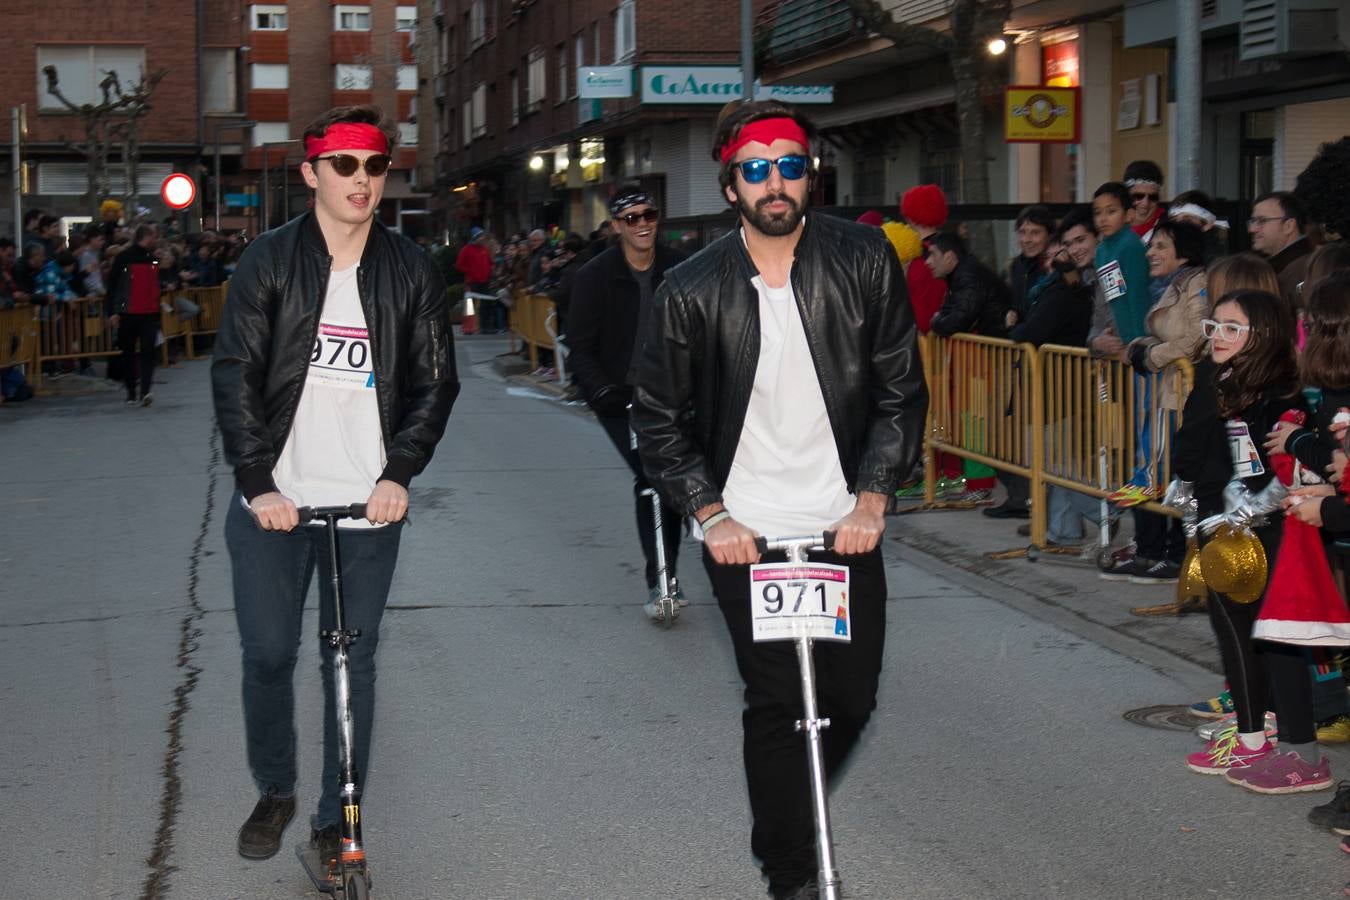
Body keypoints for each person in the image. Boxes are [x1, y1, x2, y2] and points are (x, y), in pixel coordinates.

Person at [631, 100, 927, 900]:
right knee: (775, 702)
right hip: (747, 532)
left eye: (789, 164)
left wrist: (873, 497)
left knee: (850, 698)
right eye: (755, 167)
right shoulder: (689, 289)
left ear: (811, 174)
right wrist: (710, 513)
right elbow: (655, 421)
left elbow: (902, 390)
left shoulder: (864, 259)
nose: (775, 181)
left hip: (843, 523)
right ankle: (792, 873)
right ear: (730, 185)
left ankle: (785, 823)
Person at [210, 105, 458, 868]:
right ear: (312, 173)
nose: (361, 179)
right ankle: (278, 786)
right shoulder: (270, 260)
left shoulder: (411, 269)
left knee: (351, 660)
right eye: (344, 165)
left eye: (375, 165)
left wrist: (396, 475)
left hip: (366, 509)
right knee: (269, 654)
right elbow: (237, 375)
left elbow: (436, 385)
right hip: (275, 504)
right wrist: (258, 484)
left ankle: (333, 819)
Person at [1171, 290, 1328, 791]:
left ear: (1261, 334)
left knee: (1278, 640)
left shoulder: (1283, 391)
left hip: (1274, 528)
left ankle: (1301, 753)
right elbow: (1192, 453)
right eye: (1214, 326)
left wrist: (1248, 511)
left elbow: (1292, 469)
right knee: (1231, 631)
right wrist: (1193, 504)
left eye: (1232, 327)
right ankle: (1250, 738)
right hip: (1221, 527)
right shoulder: (1217, 381)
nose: (1218, 337)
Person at [570, 185, 688, 621]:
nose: (643, 224)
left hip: (672, 393)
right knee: (651, 477)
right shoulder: (594, 276)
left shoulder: (680, 268)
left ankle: (670, 570)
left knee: (669, 482)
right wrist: (601, 390)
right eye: (632, 218)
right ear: (617, 225)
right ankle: (662, 580)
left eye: (649, 214)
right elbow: (579, 345)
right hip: (619, 397)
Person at [1117, 219, 1210, 583]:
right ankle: (1153, 550)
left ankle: (1170, 554)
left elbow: (1194, 340)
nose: (1151, 253)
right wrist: (1146, 347)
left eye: (1160, 246)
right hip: (1168, 392)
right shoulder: (1174, 284)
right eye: (1151, 245)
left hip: (1184, 394)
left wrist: (1150, 354)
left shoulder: (1197, 283)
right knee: (1155, 471)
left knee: (1166, 472)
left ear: (1183, 252)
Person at [107, 225, 161, 405]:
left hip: (146, 313)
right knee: (130, 353)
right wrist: (113, 311)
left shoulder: (151, 259)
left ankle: (144, 391)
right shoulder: (124, 258)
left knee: (145, 352)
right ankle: (132, 391)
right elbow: (113, 286)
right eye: (153, 237)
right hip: (129, 312)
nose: (155, 241)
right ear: (146, 237)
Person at [1248, 191, 1313, 310]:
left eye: (1262, 221)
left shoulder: (1304, 269)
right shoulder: (1288, 266)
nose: (1252, 229)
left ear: (1288, 226)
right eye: (1253, 221)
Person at [456, 226, 497, 332]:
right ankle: (468, 328)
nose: (482, 239)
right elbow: (459, 265)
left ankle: (485, 327)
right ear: (474, 238)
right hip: (472, 282)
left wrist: (491, 271)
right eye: (480, 237)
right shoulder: (466, 250)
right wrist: (471, 272)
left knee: (485, 304)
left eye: (482, 237)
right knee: (470, 306)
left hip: (485, 281)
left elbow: (489, 262)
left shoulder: (484, 249)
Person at [1124, 160, 1167, 243]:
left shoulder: (1169, 230)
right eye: (1138, 196)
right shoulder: (1113, 227)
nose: (1145, 203)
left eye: (1153, 197)